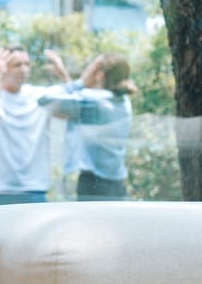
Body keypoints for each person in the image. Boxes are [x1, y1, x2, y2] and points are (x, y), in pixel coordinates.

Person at [0, 46, 70, 206]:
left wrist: (63, 75)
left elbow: (73, 111)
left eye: (27, 64)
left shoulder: (39, 96)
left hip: (34, 190)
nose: (24, 70)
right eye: (17, 65)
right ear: (3, 67)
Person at [39, 53, 137, 201]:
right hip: (117, 184)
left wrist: (81, 81)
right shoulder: (123, 102)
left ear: (101, 75)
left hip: (93, 184)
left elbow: (44, 100)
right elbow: (81, 104)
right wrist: (64, 75)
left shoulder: (93, 101)